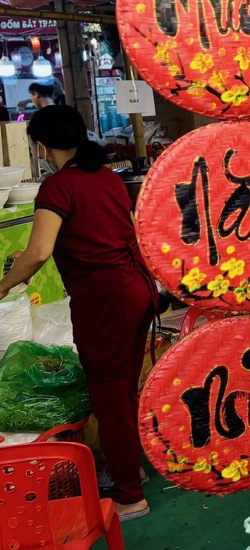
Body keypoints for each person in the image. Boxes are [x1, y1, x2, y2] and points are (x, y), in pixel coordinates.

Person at [0, 106, 154, 521]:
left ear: (41, 146)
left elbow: (38, 251)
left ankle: (129, 495)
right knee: (122, 390)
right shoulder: (106, 177)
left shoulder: (58, 187)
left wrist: (3, 285)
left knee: (110, 397)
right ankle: (131, 469)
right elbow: (123, 228)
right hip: (136, 289)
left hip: (105, 300)